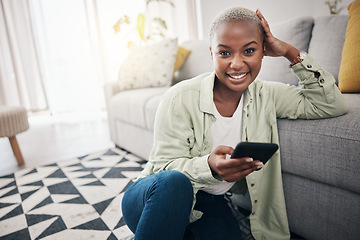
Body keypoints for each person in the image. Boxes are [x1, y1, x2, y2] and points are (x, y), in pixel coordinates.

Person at [121, 7, 348, 240]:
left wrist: (289, 52)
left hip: (207, 202)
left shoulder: (267, 95)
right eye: (225, 53)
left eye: (249, 50)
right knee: (174, 182)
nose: (237, 64)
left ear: (263, 52)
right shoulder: (179, 97)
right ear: (212, 54)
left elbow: (331, 104)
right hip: (154, 197)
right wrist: (208, 166)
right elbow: (163, 170)